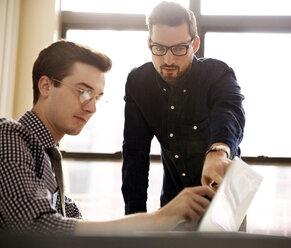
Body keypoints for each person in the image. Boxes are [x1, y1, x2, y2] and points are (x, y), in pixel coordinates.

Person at [0, 40, 214, 234]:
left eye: (97, 97)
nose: (92, 107)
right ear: (46, 86)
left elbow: (75, 226)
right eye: (83, 92)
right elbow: (38, 229)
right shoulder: (9, 136)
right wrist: (161, 217)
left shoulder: (46, 158)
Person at [122, 1, 245, 215]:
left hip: (226, 200)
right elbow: (135, 156)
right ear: (149, 42)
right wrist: (135, 222)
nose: (168, 60)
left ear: (194, 44)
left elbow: (229, 113)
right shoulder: (138, 83)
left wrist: (218, 151)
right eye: (159, 48)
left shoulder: (217, 73)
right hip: (175, 199)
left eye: (179, 48)